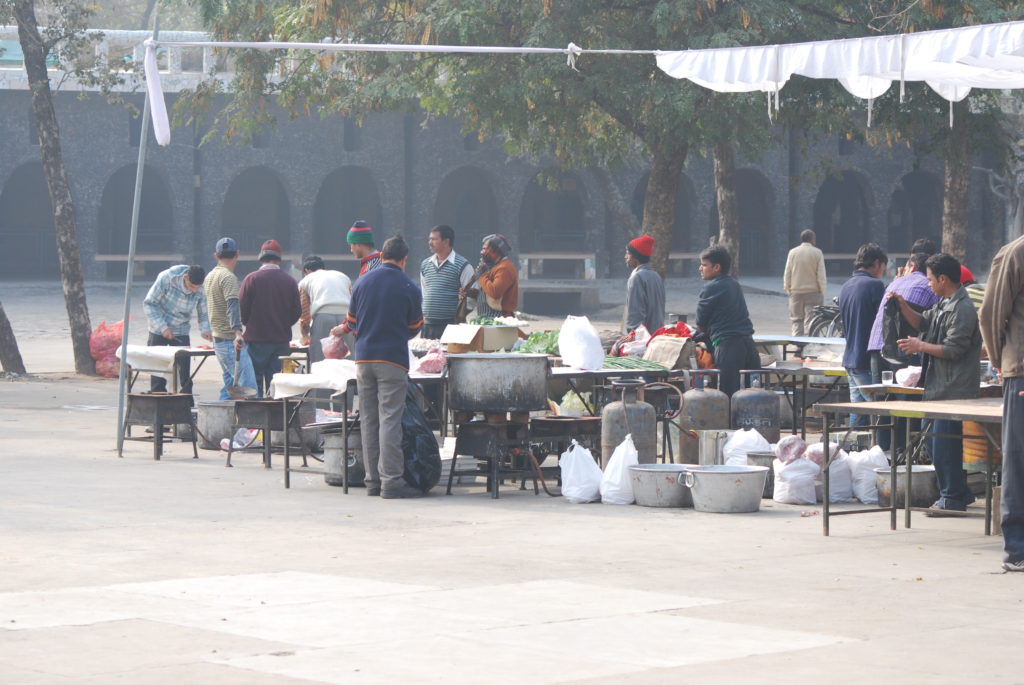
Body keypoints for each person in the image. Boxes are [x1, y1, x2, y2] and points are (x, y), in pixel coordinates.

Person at [894, 253, 981, 515]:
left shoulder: (963, 309)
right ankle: (958, 492)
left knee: (943, 443)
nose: (929, 284)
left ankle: (951, 497)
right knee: (934, 441)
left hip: (954, 388)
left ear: (943, 279)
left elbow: (954, 350)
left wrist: (920, 346)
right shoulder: (943, 304)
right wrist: (902, 305)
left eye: (931, 279)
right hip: (937, 386)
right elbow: (923, 321)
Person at [346, 235, 424, 498]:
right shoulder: (409, 286)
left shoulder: (362, 282)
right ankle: (391, 481)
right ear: (404, 260)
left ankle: (372, 480)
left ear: (381, 256)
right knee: (390, 419)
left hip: (363, 358)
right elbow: (414, 328)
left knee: (369, 419)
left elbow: (352, 321)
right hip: (392, 359)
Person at [979, 234, 1024, 571]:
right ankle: (1018, 549)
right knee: (1019, 463)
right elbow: (992, 314)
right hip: (1021, 372)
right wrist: (1001, 361)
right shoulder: (1015, 254)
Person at [239, 239, 301, 397]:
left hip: (256, 340)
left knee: (255, 381)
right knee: (278, 382)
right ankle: (277, 417)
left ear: (261, 258)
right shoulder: (289, 281)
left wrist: (250, 324)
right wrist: (283, 324)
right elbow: (297, 311)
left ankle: (258, 418)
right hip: (281, 341)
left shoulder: (250, 279)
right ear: (279, 258)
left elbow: (242, 309)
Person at [694, 245, 759, 396]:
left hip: (728, 346)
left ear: (716, 267)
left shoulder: (711, 288)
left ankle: (730, 420)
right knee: (752, 392)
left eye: (704, 265)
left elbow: (701, 322)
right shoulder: (734, 284)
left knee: (728, 392)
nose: (700, 268)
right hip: (748, 344)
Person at [839, 243, 888, 423]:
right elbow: (886, 320)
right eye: (883, 266)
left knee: (858, 410)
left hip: (850, 358)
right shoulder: (875, 285)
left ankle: (855, 449)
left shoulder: (846, 286)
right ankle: (877, 447)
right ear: (877, 263)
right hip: (866, 359)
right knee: (877, 410)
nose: (883, 271)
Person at [143, 264, 212, 393]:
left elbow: (203, 312)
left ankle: (186, 401)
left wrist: (205, 329)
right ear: (185, 277)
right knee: (158, 369)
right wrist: (163, 327)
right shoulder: (166, 278)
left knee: (184, 369)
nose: (193, 291)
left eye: (196, 288)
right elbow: (149, 304)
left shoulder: (201, 287)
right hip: (158, 327)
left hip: (182, 328)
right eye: (191, 287)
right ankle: (158, 398)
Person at [204, 237, 257, 400]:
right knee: (248, 389)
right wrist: (238, 333)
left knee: (230, 387)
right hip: (229, 341)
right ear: (237, 254)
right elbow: (232, 306)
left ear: (216, 256)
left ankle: (220, 421)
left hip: (218, 339)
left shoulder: (210, 276)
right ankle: (249, 425)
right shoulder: (228, 278)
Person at [419, 224, 474, 339]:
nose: (430, 242)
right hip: (428, 325)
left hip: (450, 326)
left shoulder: (462, 265)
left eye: (434, 239)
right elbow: (425, 293)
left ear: (446, 241)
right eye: (429, 239)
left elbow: (472, 295)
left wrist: (460, 316)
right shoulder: (425, 264)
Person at [298, 255, 352, 363]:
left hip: (323, 317)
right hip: (347, 318)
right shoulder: (342, 276)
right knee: (349, 359)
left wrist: (304, 334)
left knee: (320, 360)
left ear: (307, 271)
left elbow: (304, 312)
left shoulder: (305, 281)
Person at [782, 229, 827, 336]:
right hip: (813, 292)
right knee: (812, 320)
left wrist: (788, 288)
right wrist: (822, 290)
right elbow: (821, 274)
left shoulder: (792, 252)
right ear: (812, 239)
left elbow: (787, 272)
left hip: (796, 292)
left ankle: (798, 346)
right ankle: (810, 345)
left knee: (796, 320)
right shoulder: (817, 252)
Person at [622, 234, 665, 334]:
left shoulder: (637, 277)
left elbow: (635, 314)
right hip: (657, 335)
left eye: (628, 254)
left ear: (635, 257)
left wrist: (633, 335)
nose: (625, 257)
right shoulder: (656, 276)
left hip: (643, 339)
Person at [471, 234, 518, 318]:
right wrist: (470, 292)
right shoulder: (493, 267)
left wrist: (482, 274)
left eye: (484, 249)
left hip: (500, 319)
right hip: (486, 317)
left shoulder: (504, 268)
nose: (482, 252)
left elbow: (495, 292)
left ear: (495, 250)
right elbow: (486, 290)